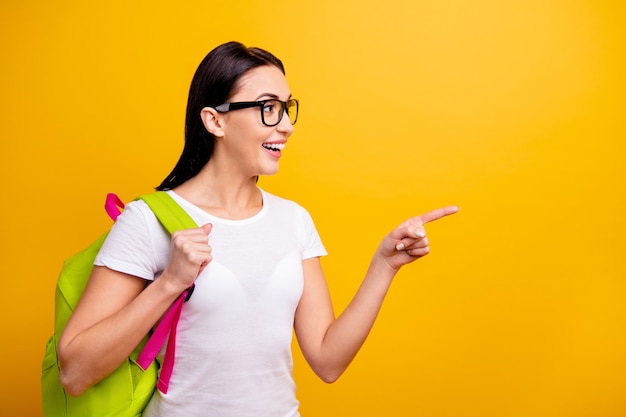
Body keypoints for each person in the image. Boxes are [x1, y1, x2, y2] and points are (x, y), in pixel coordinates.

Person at [57, 41, 458, 417]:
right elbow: (74, 374)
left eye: (287, 107)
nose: (286, 125)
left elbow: (327, 360)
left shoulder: (293, 219)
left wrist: (384, 265)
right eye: (268, 108)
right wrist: (169, 284)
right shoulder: (148, 220)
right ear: (215, 120)